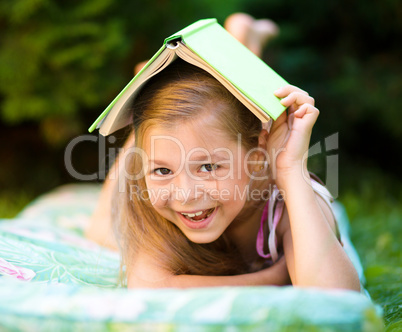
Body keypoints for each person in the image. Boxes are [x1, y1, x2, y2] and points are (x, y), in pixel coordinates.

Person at [86, 15, 360, 291]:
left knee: (182, 126)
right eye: (162, 170)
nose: (185, 194)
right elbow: (148, 284)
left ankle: (235, 49)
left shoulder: (287, 205)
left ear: (256, 160)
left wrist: (291, 171)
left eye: (208, 167)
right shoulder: (154, 202)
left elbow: (340, 299)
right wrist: (274, 278)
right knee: (102, 229)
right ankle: (167, 90)